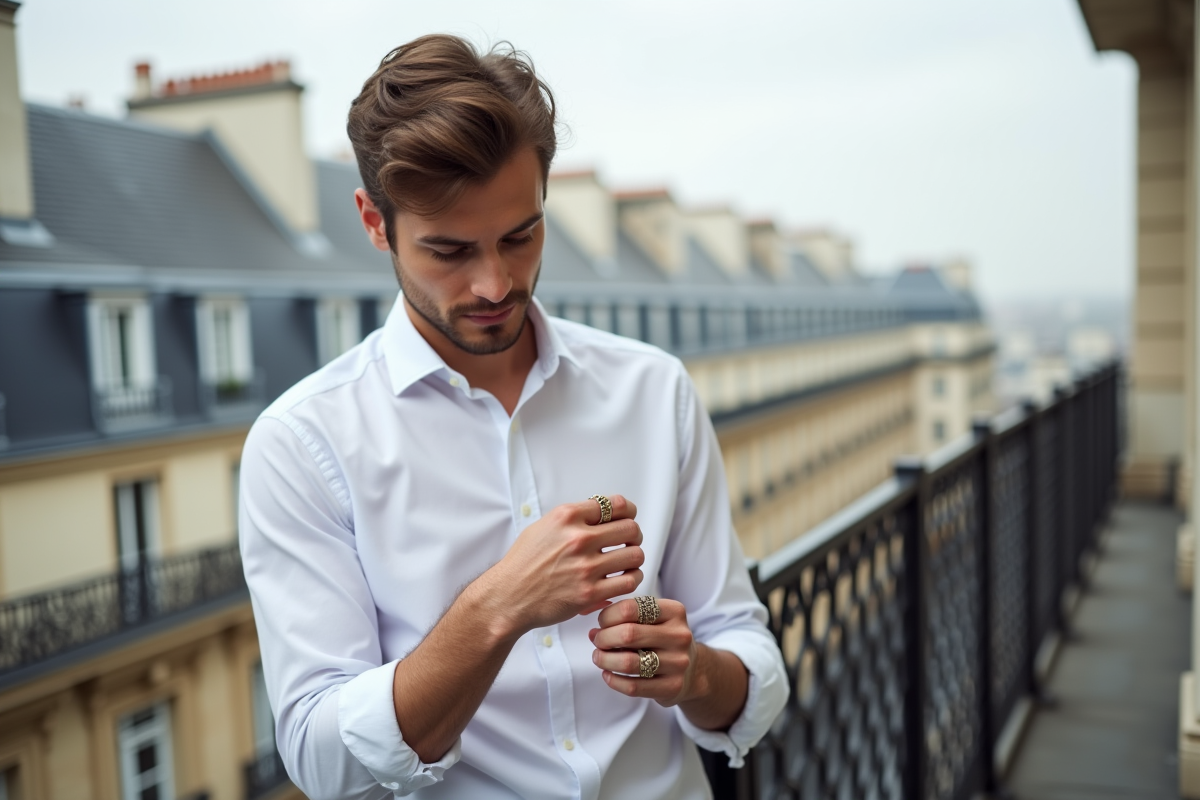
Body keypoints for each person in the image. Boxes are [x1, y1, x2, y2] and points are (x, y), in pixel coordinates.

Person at [238, 33, 788, 800]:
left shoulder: (654, 389)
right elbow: (322, 759)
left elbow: (751, 665)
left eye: (520, 236)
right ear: (374, 222)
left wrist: (693, 671)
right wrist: (498, 606)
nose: (495, 283)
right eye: (449, 251)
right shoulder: (302, 444)